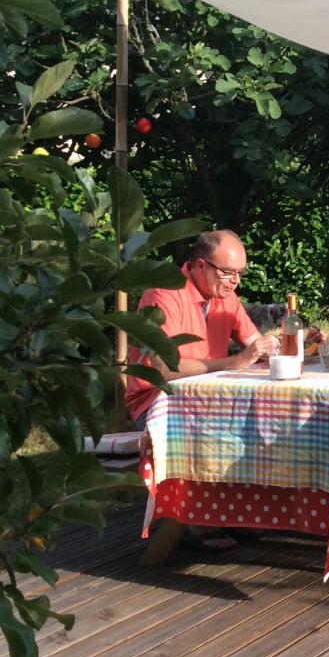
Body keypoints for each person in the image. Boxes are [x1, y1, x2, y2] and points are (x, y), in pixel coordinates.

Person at [125, 229, 281, 552]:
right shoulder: (164, 294)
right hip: (157, 402)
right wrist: (233, 362)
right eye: (227, 272)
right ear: (200, 265)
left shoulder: (226, 297)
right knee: (219, 427)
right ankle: (194, 517)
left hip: (209, 401)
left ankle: (233, 509)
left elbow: (256, 344)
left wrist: (283, 346)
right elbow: (163, 368)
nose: (235, 281)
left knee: (265, 418)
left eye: (240, 273)